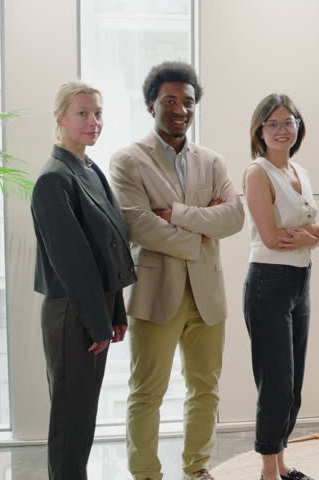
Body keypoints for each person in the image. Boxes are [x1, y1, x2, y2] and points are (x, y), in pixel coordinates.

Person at [109, 61, 245, 480]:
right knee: (147, 392)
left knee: (205, 390)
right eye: (170, 100)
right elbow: (137, 223)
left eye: (187, 101)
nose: (180, 109)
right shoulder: (128, 161)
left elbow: (234, 217)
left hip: (208, 296)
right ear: (151, 105)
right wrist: (199, 232)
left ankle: (196, 468)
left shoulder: (212, 161)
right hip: (155, 293)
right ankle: (146, 474)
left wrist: (176, 214)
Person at [31, 80, 136, 480]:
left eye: (97, 113)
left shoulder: (89, 169)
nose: (93, 121)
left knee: (84, 413)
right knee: (70, 421)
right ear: (59, 118)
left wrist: (117, 310)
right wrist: (97, 320)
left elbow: (110, 246)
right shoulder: (54, 179)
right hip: (72, 311)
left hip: (95, 306)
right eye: (82, 113)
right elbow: (72, 263)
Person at [243, 93, 319, 480]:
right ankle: (267, 471)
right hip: (268, 283)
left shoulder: (300, 172)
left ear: (298, 126)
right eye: (272, 123)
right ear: (260, 130)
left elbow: (317, 232)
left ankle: (280, 461)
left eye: (288, 121)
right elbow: (273, 237)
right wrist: (314, 236)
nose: (281, 129)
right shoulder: (258, 173)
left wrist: (311, 236)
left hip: (300, 280)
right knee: (275, 382)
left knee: (293, 385)